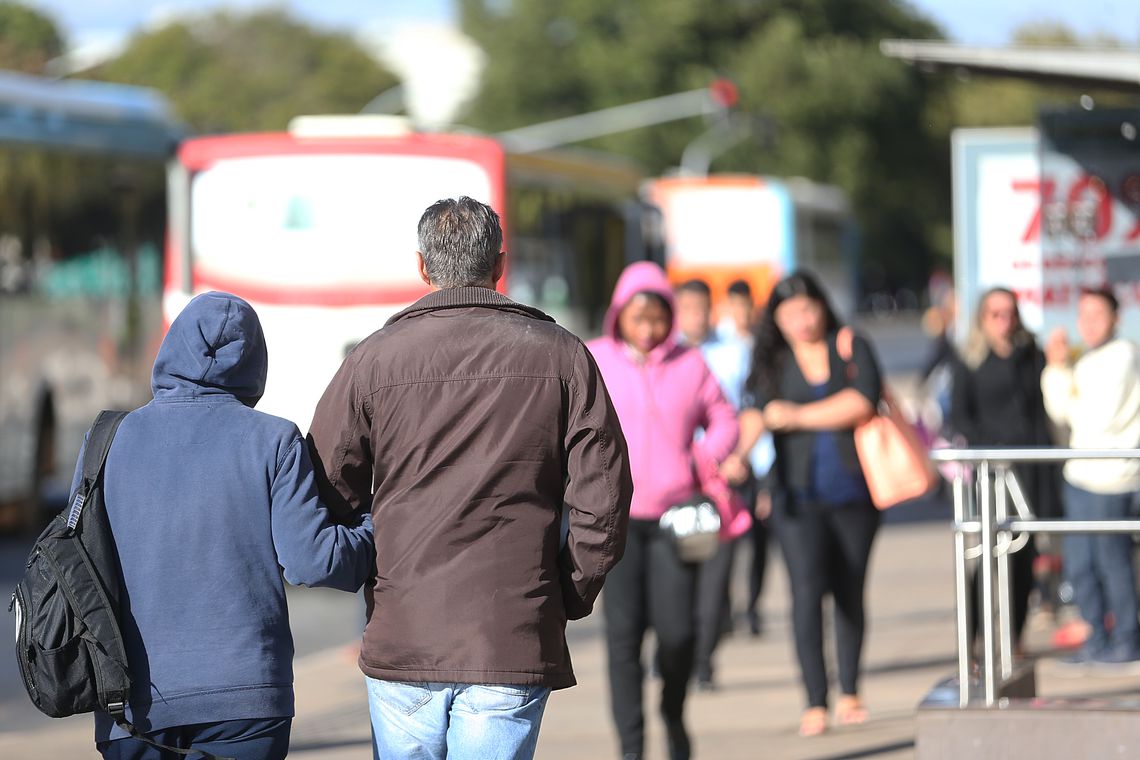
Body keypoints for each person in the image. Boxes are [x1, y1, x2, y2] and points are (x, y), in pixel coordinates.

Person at [307, 196, 632, 760]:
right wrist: (567, 590)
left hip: (404, 629)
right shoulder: (562, 355)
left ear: (423, 267)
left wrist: (373, 565)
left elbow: (326, 485)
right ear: (500, 264)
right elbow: (603, 495)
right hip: (511, 626)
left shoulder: (374, 359)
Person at [79, 291, 376, 760]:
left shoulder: (108, 440)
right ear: (254, 362)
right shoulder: (274, 441)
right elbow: (312, 561)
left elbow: (83, 566)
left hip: (130, 704)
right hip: (246, 702)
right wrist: (373, 530)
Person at [588, 262, 739, 760]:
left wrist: (705, 453)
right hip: (616, 522)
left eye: (657, 319)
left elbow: (724, 417)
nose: (649, 330)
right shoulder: (595, 359)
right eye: (639, 320)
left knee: (678, 634)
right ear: (619, 316)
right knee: (623, 640)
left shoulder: (690, 363)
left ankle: (673, 713)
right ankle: (631, 747)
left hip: (676, 519)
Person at [721, 271, 882, 738]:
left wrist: (795, 417)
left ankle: (850, 688)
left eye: (808, 310)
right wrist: (739, 455)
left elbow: (863, 401)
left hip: (856, 493)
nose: (801, 321)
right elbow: (755, 412)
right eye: (790, 314)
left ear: (823, 307)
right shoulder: (770, 356)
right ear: (777, 319)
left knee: (850, 591)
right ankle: (815, 699)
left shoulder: (850, 344)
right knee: (806, 594)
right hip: (795, 496)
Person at [950, 287, 1059, 655]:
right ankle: (976, 638)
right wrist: (990, 450)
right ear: (982, 318)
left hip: (1032, 467)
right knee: (989, 555)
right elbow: (960, 416)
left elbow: (1045, 403)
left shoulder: (1030, 353)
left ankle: (1015, 637)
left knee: (1025, 557)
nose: (1004, 321)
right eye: (995, 314)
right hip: (993, 473)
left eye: (1010, 313)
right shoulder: (968, 360)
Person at [1042, 286, 1140, 668]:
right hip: (1080, 474)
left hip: (1112, 477)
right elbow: (1062, 410)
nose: (1088, 323)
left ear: (1115, 317)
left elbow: (1094, 417)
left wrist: (1066, 381)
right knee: (1081, 565)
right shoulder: (1084, 361)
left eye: (1097, 314)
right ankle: (1097, 638)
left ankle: (1127, 640)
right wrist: (1056, 367)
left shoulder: (1124, 357)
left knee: (1111, 564)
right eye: (1083, 314)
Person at [673, 278, 762, 689]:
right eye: (686, 308)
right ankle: (675, 651)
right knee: (676, 577)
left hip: (723, 482)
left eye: (700, 308)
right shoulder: (663, 356)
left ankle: (704, 661)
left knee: (715, 576)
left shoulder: (735, 353)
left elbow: (749, 412)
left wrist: (740, 459)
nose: (694, 316)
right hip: (675, 484)